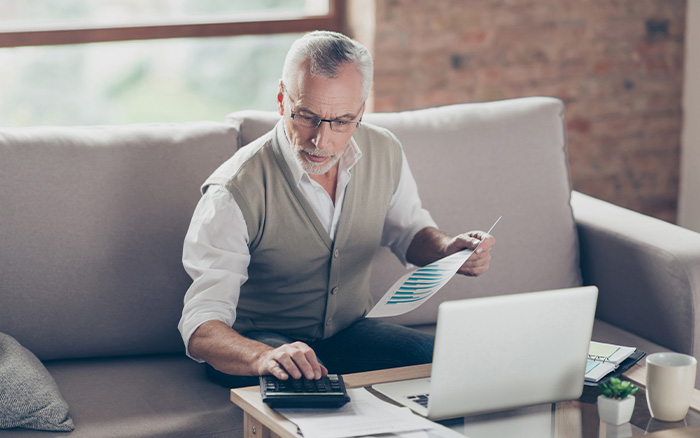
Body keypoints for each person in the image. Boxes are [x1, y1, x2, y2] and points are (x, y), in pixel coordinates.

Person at [178, 31, 495, 387]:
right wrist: (263, 356)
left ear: (360, 110)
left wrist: (446, 249)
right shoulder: (233, 191)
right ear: (282, 99)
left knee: (445, 362)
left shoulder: (385, 150)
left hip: (350, 332)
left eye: (342, 121)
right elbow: (201, 326)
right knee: (301, 386)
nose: (321, 141)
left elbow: (408, 232)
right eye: (307, 116)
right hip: (261, 343)